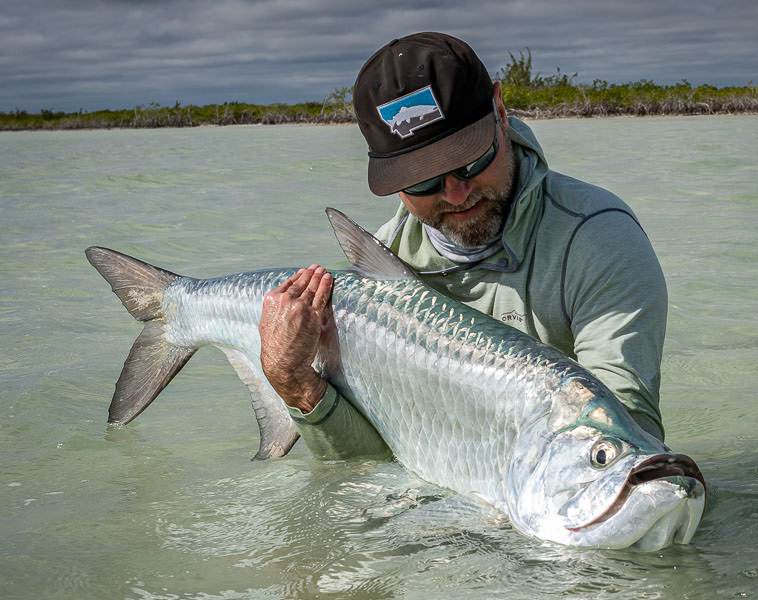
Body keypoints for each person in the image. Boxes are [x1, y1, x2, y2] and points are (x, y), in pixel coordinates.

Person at [258, 32, 668, 458]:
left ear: (501, 111)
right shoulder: (381, 268)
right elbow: (373, 463)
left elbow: (628, 437)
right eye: (421, 179)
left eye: (471, 161)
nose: (456, 193)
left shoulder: (598, 240)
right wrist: (298, 386)